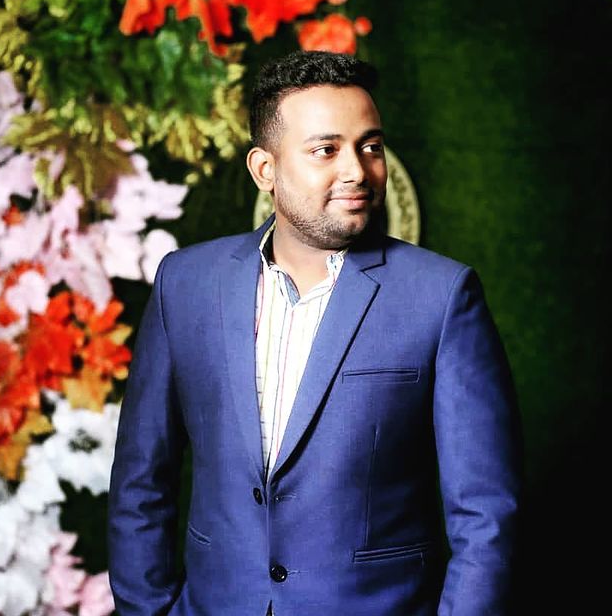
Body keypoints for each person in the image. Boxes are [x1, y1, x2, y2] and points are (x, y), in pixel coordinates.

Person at [107, 50, 523, 616]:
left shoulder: (443, 296)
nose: (357, 170)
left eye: (370, 147)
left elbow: (486, 516)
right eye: (326, 150)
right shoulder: (185, 284)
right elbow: (140, 481)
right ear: (265, 169)